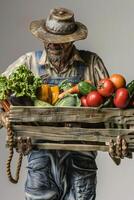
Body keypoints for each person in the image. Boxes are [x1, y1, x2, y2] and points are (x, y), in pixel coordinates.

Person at [0, 7, 129, 200]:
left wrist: (116, 147)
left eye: (60, 41)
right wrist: (4, 118)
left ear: (72, 39)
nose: (53, 44)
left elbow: (111, 116)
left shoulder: (92, 64)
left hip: (81, 160)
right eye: (49, 39)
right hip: (39, 158)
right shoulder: (28, 63)